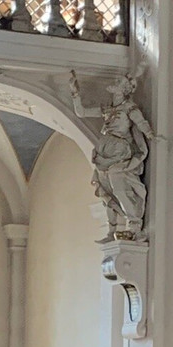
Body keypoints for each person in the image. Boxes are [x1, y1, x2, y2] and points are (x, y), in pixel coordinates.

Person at [70, 71, 155, 240]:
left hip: (119, 150)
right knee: (105, 190)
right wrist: (75, 92)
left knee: (119, 185)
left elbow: (141, 123)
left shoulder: (129, 108)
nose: (115, 81)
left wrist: (152, 135)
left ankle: (134, 224)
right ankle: (112, 230)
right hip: (103, 152)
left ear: (125, 89)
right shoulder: (108, 108)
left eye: (119, 81)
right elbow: (81, 112)